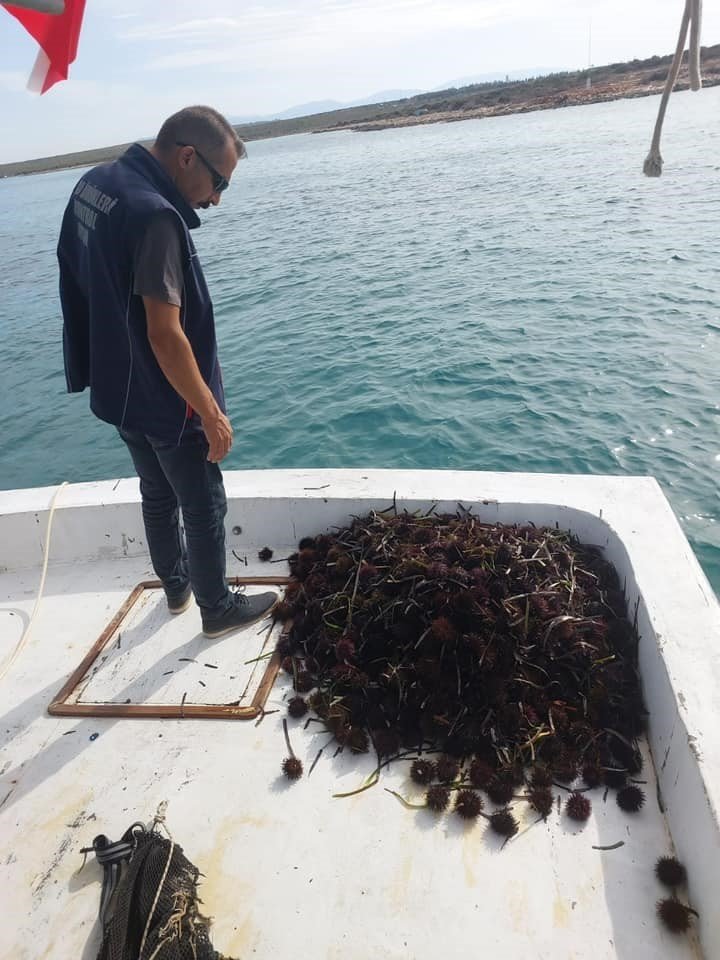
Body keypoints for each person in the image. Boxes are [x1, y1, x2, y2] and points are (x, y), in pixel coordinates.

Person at [57, 105, 277, 638]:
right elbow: (165, 333)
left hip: (117, 384)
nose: (217, 198)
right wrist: (210, 412)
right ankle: (217, 608)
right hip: (162, 395)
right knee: (203, 502)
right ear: (186, 157)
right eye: (218, 181)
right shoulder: (156, 216)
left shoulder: (96, 182)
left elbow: (74, 269)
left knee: (155, 490)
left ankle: (176, 588)